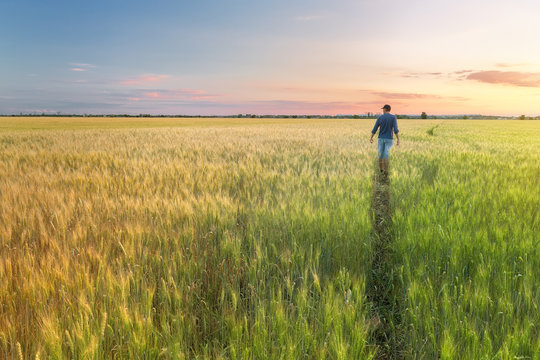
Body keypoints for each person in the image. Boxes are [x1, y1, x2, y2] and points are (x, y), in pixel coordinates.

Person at [370, 104, 400, 176]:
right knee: (387, 155)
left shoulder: (380, 117)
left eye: (383, 109)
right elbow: (395, 130)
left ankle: (381, 171)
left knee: (380, 154)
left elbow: (375, 129)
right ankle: (386, 172)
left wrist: (371, 137)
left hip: (381, 139)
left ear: (385, 109)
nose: (382, 110)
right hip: (389, 139)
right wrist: (398, 139)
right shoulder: (393, 117)